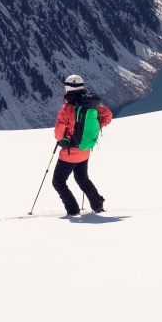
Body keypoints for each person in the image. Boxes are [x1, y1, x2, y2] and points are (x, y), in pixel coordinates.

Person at [52, 74, 113, 216]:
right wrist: (98, 127)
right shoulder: (91, 105)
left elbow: (59, 132)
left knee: (58, 182)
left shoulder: (67, 108)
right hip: (85, 150)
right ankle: (97, 204)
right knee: (82, 178)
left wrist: (61, 140)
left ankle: (73, 210)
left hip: (69, 154)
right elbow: (107, 116)